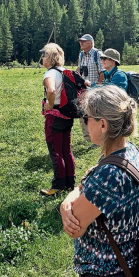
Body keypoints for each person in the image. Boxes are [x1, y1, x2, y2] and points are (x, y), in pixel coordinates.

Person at [59, 85, 139, 277]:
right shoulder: (128, 153)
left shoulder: (108, 173)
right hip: (126, 270)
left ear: (102, 124)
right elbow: (85, 186)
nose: (83, 124)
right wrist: (73, 197)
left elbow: (75, 223)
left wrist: (68, 202)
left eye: (86, 117)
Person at [39, 43, 81, 196]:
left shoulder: (50, 74)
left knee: (56, 151)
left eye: (44, 55)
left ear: (49, 58)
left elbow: (51, 90)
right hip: (67, 115)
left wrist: (49, 105)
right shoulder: (65, 71)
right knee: (66, 150)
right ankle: (70, 183)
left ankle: (58, 185)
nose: (42, 58)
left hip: (55, 117)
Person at [76, 34, 105, 142]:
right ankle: (88, 138)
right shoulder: (81, 55)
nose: (81, 43)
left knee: (95, 115)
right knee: (82, 113)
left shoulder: (98, 54)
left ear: (91, 42)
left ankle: (98, 137)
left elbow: (103, 72)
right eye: (80, 41)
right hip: (83, 89)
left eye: (84, 41)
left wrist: (97, 86)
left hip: (94, 90)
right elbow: (79, 69)